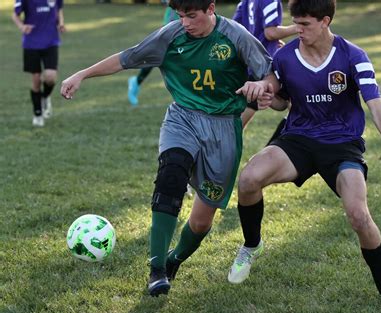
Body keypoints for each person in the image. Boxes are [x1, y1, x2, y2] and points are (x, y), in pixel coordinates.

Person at [60, 0, 272, 297]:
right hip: (182, 117)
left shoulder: (236, 36)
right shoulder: (170, 35)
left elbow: (271, 76)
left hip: (224, 128)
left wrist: (263, 89)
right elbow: (127, 58)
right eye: (181, 15)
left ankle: (174, 260)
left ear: (211, 9)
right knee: (170, 176)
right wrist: (81, 74)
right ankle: (157, 269)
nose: (184, 22)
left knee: (200, 222)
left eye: (192, 15)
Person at [227, 0, 381, 309]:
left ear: (325, 21)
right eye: (295, 23)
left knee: (358, 214)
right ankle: (251, 245)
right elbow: (276, 94)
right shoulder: (286, 56)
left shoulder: (352, 55)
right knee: (248, 179)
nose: (296, 31)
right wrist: (261, 89)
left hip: (342, 144)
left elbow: (377, 106)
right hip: (299, 138)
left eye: (305, 25)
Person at [233, 0, 297, 127]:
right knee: (297, 101)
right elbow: (270, 32)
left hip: (249, 64)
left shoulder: (245, 2)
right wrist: (299, 27)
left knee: (239, 121)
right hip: (267, 64)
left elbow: (234, 29)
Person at [12, 0, 66, 127]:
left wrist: (61, 23)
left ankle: (45, 96)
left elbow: (58, 9)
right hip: (32, 43)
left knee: (51, 77)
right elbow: (15, 15)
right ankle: (37, 114)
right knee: (36, 80)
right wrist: (22, 27)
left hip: (51, 42)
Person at [127, 2, 179, 106]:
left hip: (188, 21)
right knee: (156, 57)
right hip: (175, 23)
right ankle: (136, 83)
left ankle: (136, 82)